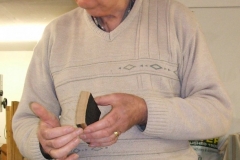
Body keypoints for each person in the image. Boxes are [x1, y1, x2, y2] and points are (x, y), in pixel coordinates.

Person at [12, 0, 233, 159]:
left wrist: (144, 111)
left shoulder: (176, 18)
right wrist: (43, 146)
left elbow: (217, 113)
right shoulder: (54, 34)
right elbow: (24, 123)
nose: (80, 3)